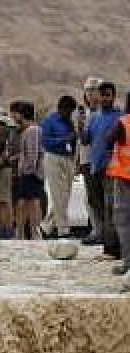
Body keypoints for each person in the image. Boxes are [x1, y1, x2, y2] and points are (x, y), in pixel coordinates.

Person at [82, 81, 125, 259]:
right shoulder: (93, 117)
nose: (105, 98)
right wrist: (82, 127)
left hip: (112, 168)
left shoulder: (120, 116)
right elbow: (86, 140)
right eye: (102, 95)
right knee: (98, 207)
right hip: (95, 167)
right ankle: (106, 244)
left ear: (113, 96)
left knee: (111, 209)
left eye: (108, 95)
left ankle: (112, 249)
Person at [40, 95, 78, 238]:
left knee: (65, 195)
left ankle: (46, 227)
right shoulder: (49, 121)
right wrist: (63, 140)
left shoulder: (70, 122)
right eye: (67, 111)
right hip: (53, 158)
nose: (69, 114)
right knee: (58, 194)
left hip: (68, 158)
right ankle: (63, 230)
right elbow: (45, 141)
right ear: (61, 108)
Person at [103, 93, 130, 277]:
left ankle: (128, 262)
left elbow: (108, 140)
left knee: (124, 220)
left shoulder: (124, 122)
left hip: (124, 177)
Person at [14, 102, 44, 240]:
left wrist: (27, 170)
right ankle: (24, 232)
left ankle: (33, 231)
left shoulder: (32, 130)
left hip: (31, 173)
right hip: (30, 172)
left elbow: (33, 153)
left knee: (31, 202)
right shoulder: (30, 130)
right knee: (27, 202)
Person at [79, 77, 104, 245]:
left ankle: (105, 231)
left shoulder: (105, 113)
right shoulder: (85, 114)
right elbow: (81, 141)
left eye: (93, 90)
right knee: (91, 198)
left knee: (102, 198)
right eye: (87, 90)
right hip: (86, 160)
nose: (90, 94)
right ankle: (97, 230)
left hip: (101, 160)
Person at [0, 105, 18, 240]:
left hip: (3, 169)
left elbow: (1, 150)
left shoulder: (2, 131)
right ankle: (5, 230)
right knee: (3, 200)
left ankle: (3, 231)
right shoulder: (12, 131)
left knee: (1, 201)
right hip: (7, 168)